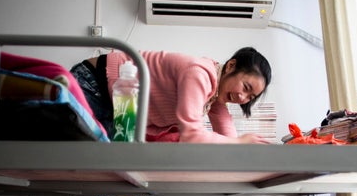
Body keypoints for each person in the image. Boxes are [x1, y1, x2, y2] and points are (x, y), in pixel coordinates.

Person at [70, 47, 272, 143]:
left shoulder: (215, 97)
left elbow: (228, 136)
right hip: (95, 84)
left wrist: (242, 147)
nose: (242, 98)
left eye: (250, 97)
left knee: (109, 164)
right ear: (231, 66)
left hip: (121, 109)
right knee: (63, 141)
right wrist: (239, 143)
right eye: (246, 87)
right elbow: (192, 134)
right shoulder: (200, 74)